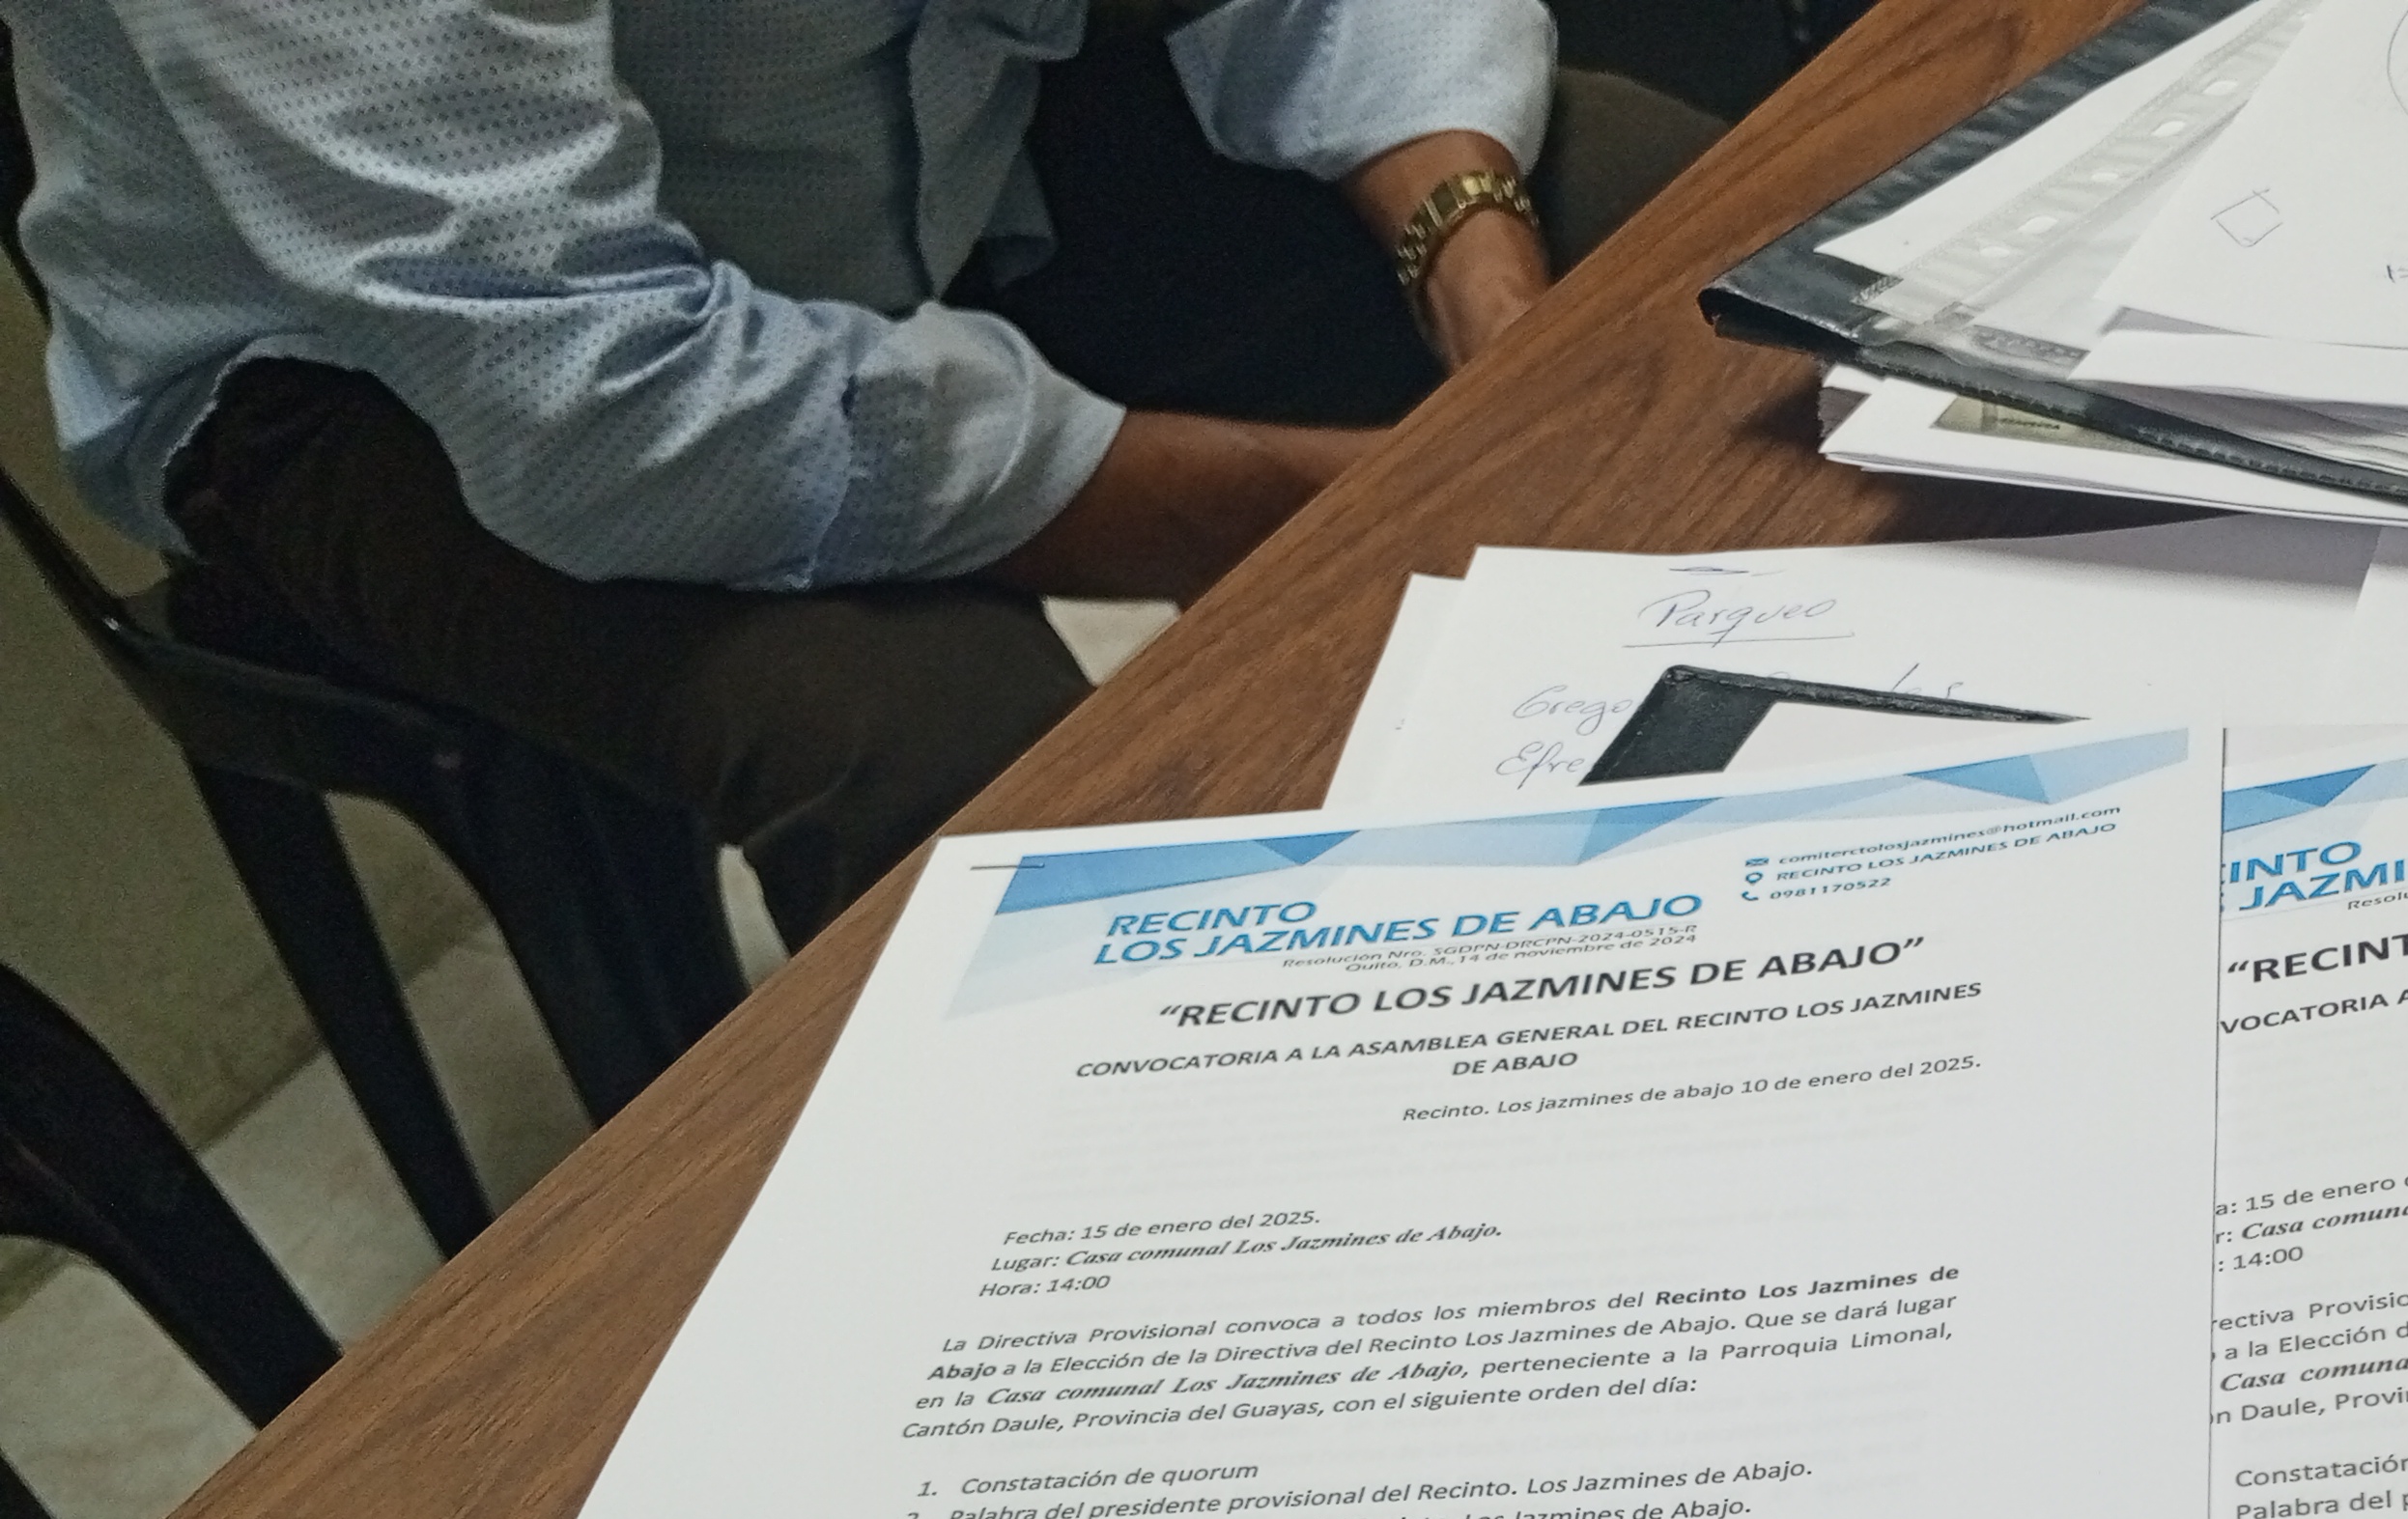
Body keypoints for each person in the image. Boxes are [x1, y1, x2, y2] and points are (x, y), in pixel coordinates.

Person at [0, 0, 1721, 942]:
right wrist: (1360, 509)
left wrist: (1478, 271)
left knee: (1670, 236)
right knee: (947, 766)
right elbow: (601, 399)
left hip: (924, 140)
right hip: (387, 368)